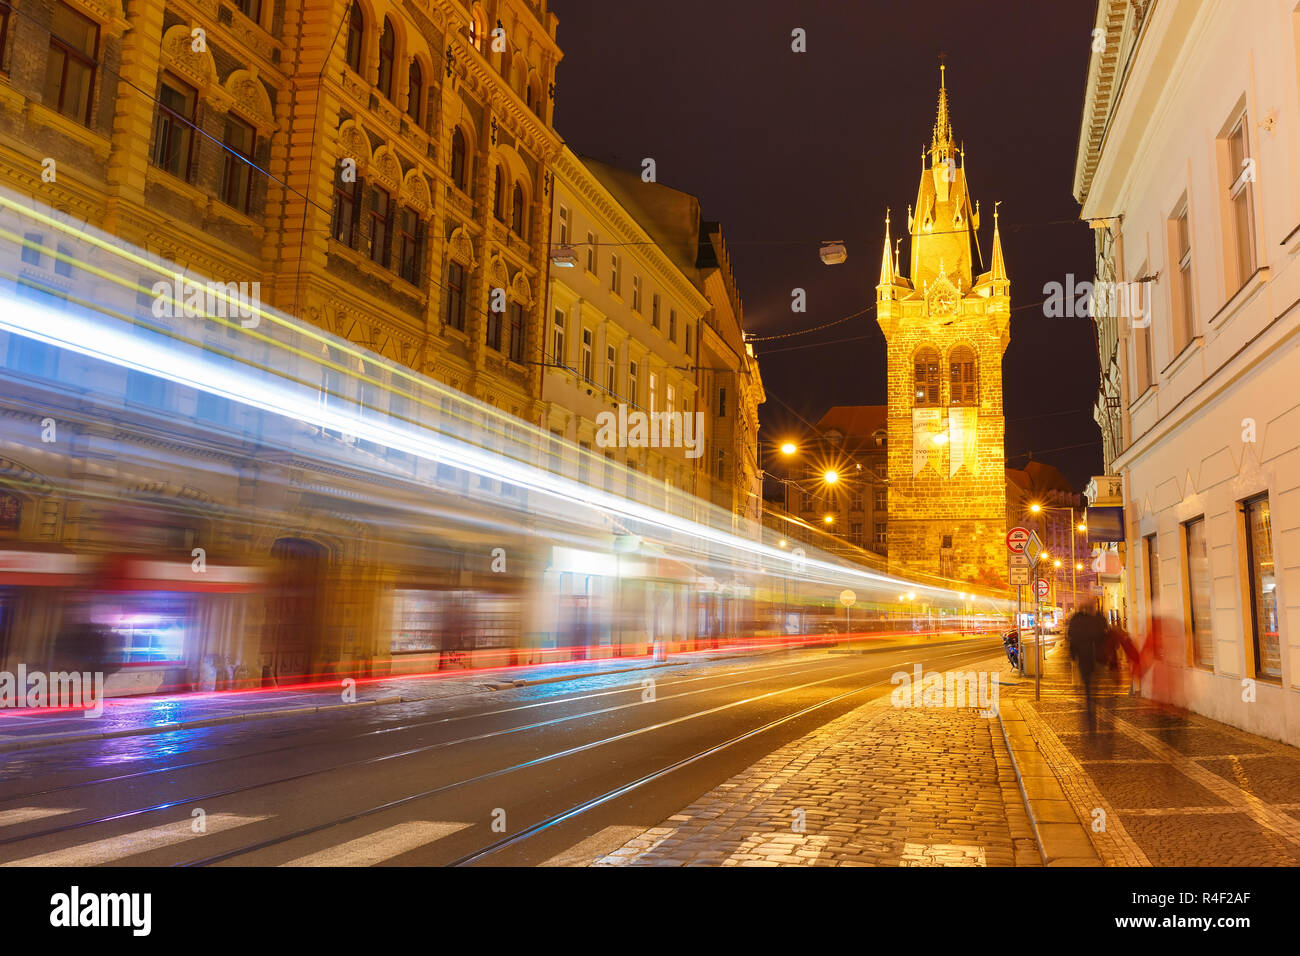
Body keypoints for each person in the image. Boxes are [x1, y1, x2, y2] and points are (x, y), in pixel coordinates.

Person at [1066, 602, 1107, 735]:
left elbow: (1071, 639)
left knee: (1087, 686)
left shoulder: (1076, 621)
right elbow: (1103, 637)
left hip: (1083, 660)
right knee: (1094, 687)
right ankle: (1092, 711)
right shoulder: (1096, 620)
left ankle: (1089, 715)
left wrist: (1073, 656)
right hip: (1096, 659)